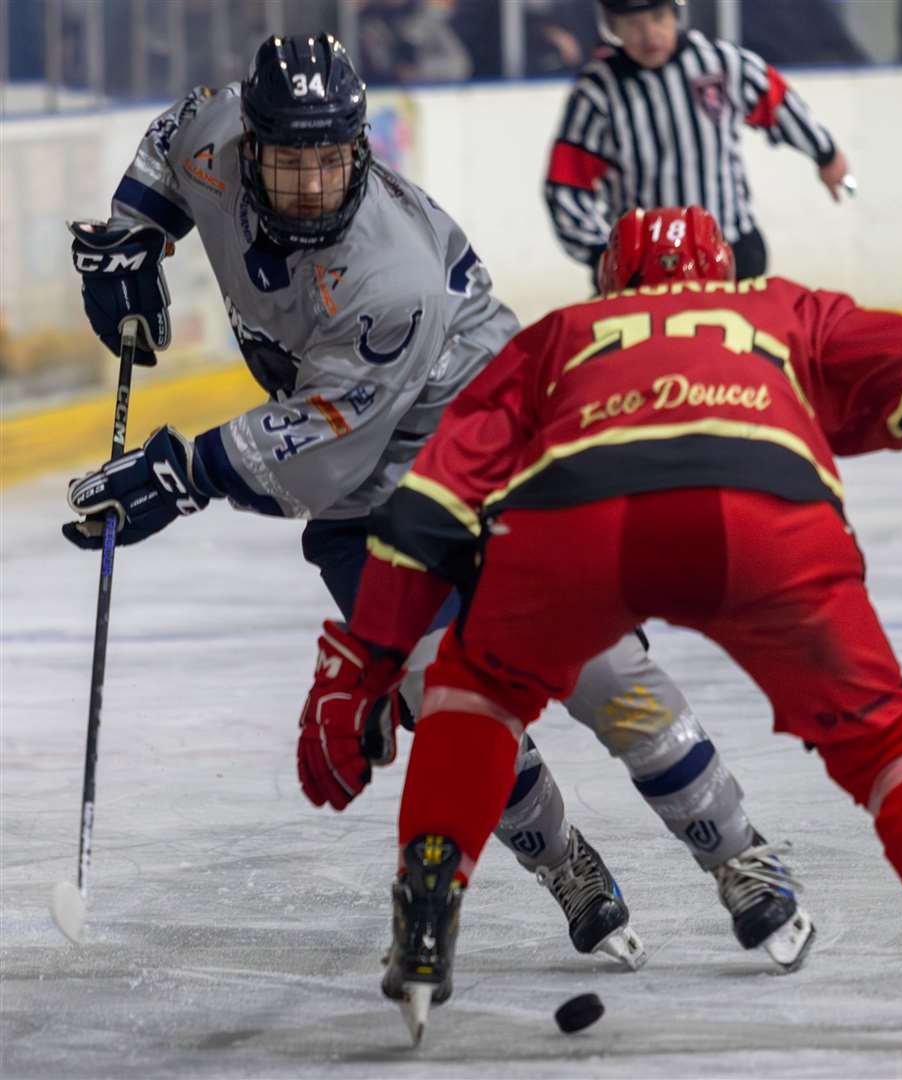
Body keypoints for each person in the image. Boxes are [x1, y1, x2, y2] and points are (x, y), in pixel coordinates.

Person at [305, 205, 902, 1046]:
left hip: (575, 521)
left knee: (478, 687)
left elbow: (429, 506)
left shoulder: (562, 336)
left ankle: (426, 899)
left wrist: (366, 661)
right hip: (766, 513)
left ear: (610, 284)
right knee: (885, 734)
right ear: (723, 274)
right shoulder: (782, 310)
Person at [61, 33, 812, 977]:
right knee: (447, 704)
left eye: (328, 163)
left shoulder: (390, 277)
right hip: (367, 506)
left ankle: (738, 854)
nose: (307, 188)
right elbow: (168, 146)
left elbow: (328, 446)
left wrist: (185, 472)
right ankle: (569, 867)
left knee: (601, 676)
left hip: (493, 468)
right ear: (250, 146)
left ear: (359, 152)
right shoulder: (216, 132)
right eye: (287, 164)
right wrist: (138, 230)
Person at [543, 0, 852, 287]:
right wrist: (601, 253)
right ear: (612, 26)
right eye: (632, 23)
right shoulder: (598, 91)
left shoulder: (721, 63)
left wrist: (825, 154)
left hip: (732, 250)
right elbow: (566, 185)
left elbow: (777, 103)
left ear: (676, 12)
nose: (649, 34)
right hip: (643, 268)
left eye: (658, 17)